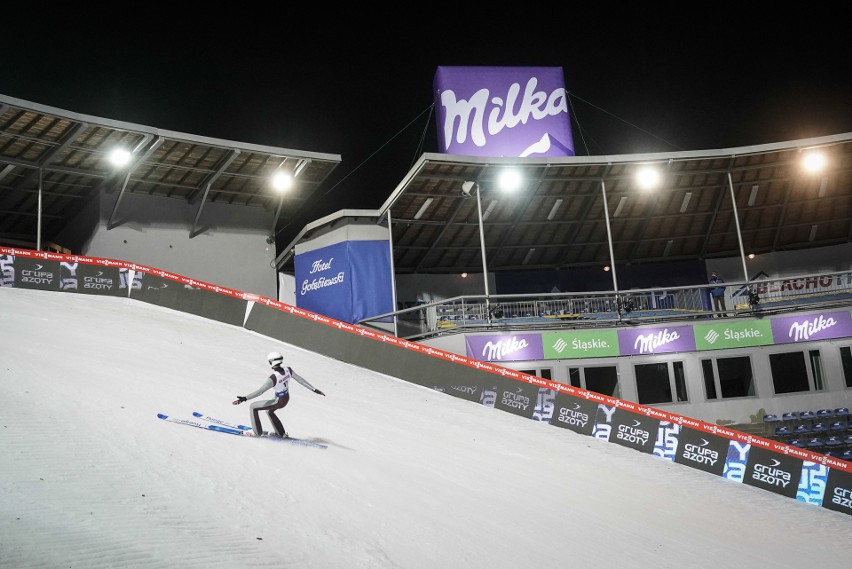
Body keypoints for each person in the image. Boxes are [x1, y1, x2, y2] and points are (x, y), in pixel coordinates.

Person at [232, 351, 325, 438]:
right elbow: (300, 380)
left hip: (278, 401)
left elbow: (260, 392)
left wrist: (244, 398)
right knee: (269, 411)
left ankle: (256, 432)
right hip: (285, 398)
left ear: (271, 362)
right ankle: (281, 433)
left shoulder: (273, 378)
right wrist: (314, 389)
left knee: (253, 407)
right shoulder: (288, 370)